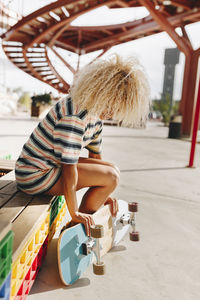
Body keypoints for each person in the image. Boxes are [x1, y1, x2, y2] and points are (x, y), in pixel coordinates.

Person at [15, 54, 150, 236]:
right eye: (111, 104)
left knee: (112, 170)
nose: (112, 112)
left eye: (117, 108)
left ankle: (83, 221)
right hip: (34, 175)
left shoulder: (95, 117)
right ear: (101, 92)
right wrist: (74, 212)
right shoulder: (75, 116)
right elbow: (69, 169)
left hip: (51, 168)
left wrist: (103, 195)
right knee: (111, 176)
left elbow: (96, 159)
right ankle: (75, 229)